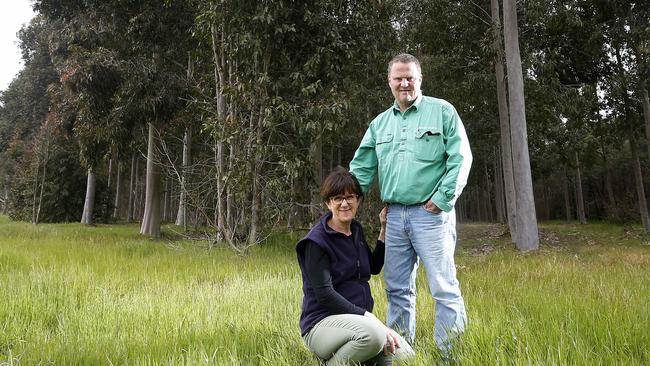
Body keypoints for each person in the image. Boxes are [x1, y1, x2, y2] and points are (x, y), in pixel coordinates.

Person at [349, 53, 472, 354]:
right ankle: (402, 355)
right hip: (393, 217)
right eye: (398, 78)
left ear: (420, 79)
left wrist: (442, 199)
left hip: (431, 216)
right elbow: (361, 169)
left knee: (443, 287)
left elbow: (461, 157)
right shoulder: (379, 124)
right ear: (389, 82)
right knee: (398, 290)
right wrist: (343, 207)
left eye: (410, 77)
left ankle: (450, 356)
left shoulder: (442, 112)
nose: (404, 83)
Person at [296, 167, 414, 366]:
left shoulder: (356, 230)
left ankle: (359, 356)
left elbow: (373, 266)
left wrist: (384, 229)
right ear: (328, 203)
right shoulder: (316, 242)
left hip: (358, 323)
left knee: (406, 358)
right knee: (375, 336)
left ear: (358, 200)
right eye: (337, 198)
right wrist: (371, 319)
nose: (344, 203)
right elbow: (325, 296)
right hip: (322, 324)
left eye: (350, 197)